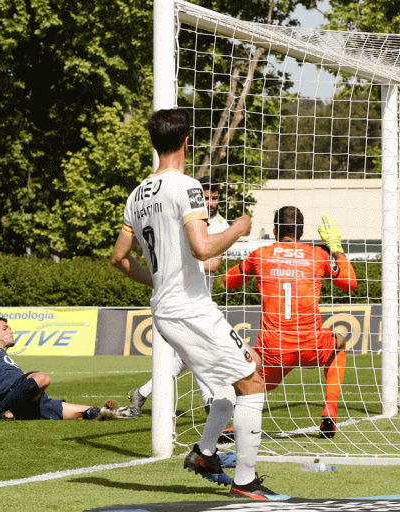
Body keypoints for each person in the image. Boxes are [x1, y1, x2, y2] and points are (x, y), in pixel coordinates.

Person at [111, 108, 287, 500]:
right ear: (187, 142)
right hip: (190, 309)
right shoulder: (187, 185)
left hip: (168, 309)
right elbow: (203, 248)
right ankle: (245, 483)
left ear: (154, 143)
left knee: (236, 379)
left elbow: (119, 259)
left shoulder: (136, 195)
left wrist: (157, 281)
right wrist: (241, 228)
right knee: (252, 382)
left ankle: (205, 454)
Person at [223, 206, 357, 439]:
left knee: (253, 384)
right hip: (310, 345)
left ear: (275, 230)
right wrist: (336, 249)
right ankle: (330, 410)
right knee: (339, 343)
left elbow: (227, 281)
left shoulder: (260, 255)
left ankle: (232, 424)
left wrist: (251, 269)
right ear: (302, 232)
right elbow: (351, 283)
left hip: (274, 349)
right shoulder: (317, 254)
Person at [128, 173, 230, 415]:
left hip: (201, 298)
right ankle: (209, 401)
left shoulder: (221, 225)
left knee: (191, 353)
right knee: (196, 351)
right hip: (175, 295)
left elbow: (213, 264)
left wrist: (176, 260)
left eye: (215, 198)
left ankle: (142, 393)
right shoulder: (184, 213)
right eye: (206, 197)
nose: (211, 202)